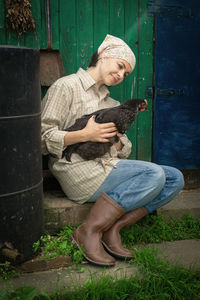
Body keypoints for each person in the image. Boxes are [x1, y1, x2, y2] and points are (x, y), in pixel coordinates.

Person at [41, 34, 184, 267]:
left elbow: (124, 149)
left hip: (108, 167)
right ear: (104, 54)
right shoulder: (66, 87)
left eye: (125, 74)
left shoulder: (111, 103)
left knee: (175, 179)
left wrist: (115, 141)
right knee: (155, 175)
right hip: (76, 170)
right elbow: (41, 138)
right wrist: (85, 135)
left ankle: (112, 228)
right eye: (120, 66)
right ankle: (88, 231)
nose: (120, 75)